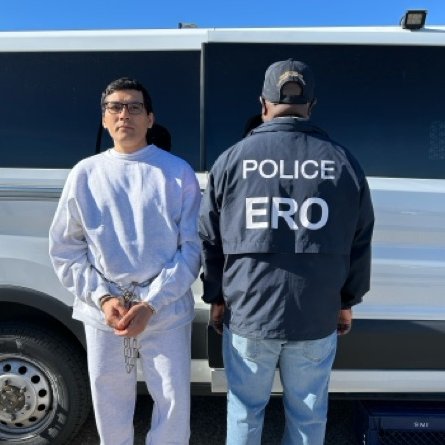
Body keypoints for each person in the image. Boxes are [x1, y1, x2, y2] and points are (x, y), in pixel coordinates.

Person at [199, 59, 374, 445]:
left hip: (249, 310)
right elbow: (359, 240)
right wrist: (347, 301)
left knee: (245, 410)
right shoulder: (342, 161)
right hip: (316, 311)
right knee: (308, 414)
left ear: (264, 103)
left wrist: (216, 297)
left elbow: (210, 239)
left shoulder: (232, 159)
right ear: (311, 105)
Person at [49, 77, 201, 445]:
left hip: (165, 310)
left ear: (150, 118)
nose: (124, 115)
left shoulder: (177, 172)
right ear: (104, 119)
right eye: (115, 107)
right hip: (106, 313)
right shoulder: (85, 173)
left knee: (172, 402)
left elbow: (192, 248)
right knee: (110, 403)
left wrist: (152, 302)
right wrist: (102, 297)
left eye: (134, 107)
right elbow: (66, 247)